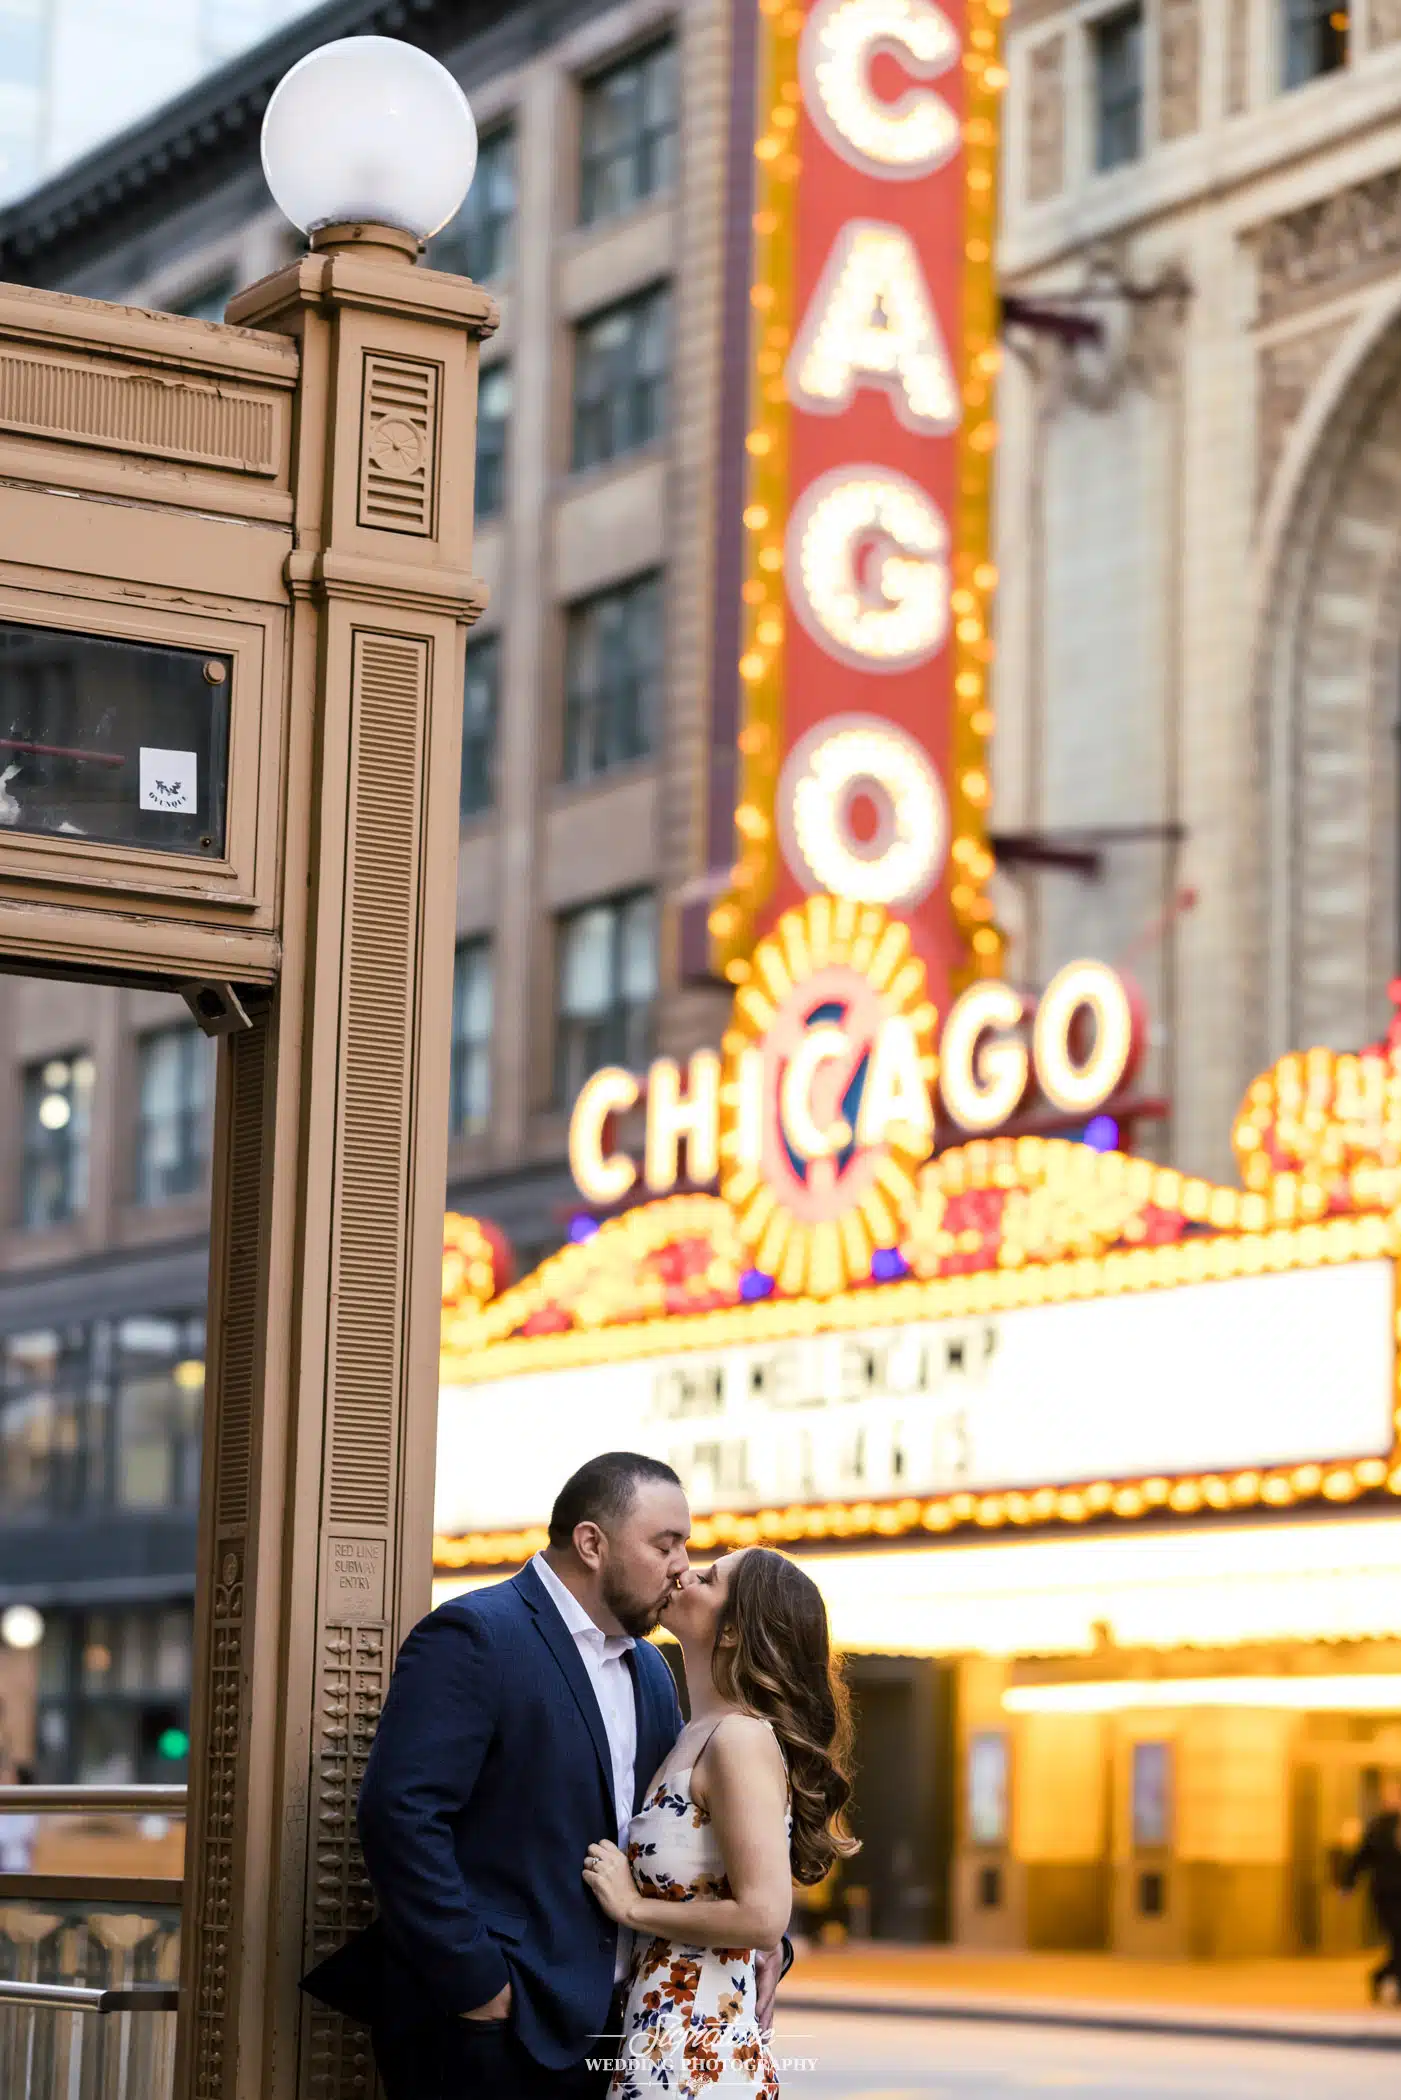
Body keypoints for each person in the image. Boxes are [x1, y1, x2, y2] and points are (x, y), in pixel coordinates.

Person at [304, 1451, 782, 2098]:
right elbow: (400, 1814)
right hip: (492, 2031)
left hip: (618, 2033)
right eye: (664, 1544)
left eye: (685, 1546)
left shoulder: (649, 1670)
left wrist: (764, 1942)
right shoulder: (476, 1635)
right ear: (591, 1543)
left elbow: (687, 1834)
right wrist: (478, 1985)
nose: (680, 1567)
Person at [583, 1545, 858, 2097]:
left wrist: (632, 1905)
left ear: (732, 1632)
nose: (684, 1573)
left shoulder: (740, 1738)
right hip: (661, 2034)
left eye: (707, 1579)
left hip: (698, 2051)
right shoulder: (694, 1731)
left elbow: (762, 1915)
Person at [1340, 1778, 1401, 2004]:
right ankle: (1384, 1978)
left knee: (1399, 1941)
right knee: (1398, 1936)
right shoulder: (1379, 1826)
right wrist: (1348, 1884)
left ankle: (1382, 1976)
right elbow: (1362, 1857)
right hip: (1386, 1893)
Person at [0, 1756, 38, 1874]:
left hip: (16, 1866)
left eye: (11, 1777)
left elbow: (18, 1835)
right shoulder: (6, 1804)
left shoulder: (27, 1809)